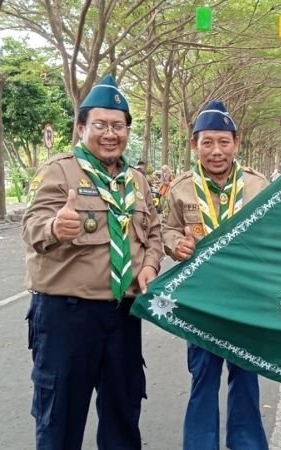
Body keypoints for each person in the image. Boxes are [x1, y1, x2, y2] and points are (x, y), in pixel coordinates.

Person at [22, 74, 165, 450]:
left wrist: (150, 266)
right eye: (100, 125)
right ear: (81, 128)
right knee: (60, 421)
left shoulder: (137, 181)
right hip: (68, 316)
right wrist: (55, 227)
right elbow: (32, 227)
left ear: (127, 131)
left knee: (123, 417)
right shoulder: (59, 171)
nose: (110, 134)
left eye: (118, 126)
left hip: (124, 315)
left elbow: (153, 233)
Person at [163, 100, 270, 450]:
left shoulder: (258, 185)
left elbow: (276, 233)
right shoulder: (181, 188)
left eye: (224, 142)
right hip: (200, 302)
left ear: (236, 143)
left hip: (247, 301)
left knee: (246, 378)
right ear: (194, 144)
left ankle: (248, 444)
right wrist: (175, 243)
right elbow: (166, 228)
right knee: (203, 379)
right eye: (207, 142)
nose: (216, 151)